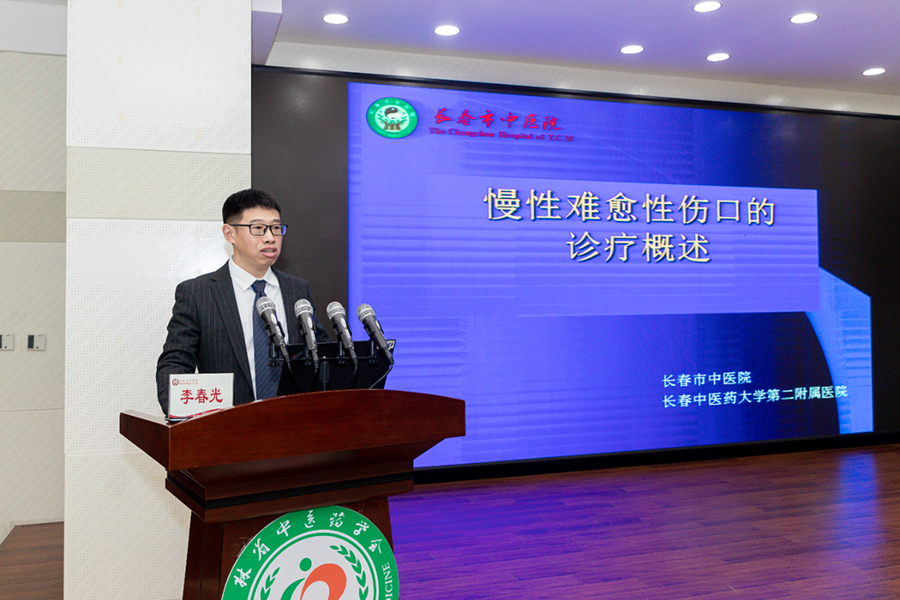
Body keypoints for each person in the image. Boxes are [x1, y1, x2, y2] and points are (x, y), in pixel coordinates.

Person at [156, 189, 329, 415]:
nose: (270, 237)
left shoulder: (297, 289)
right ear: (230, 233)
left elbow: (323, 354)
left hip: (292, 423)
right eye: (258, 228)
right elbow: (175, 364)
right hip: (227, 426)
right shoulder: (198, 293)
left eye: (276, 228)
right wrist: (181, 416)